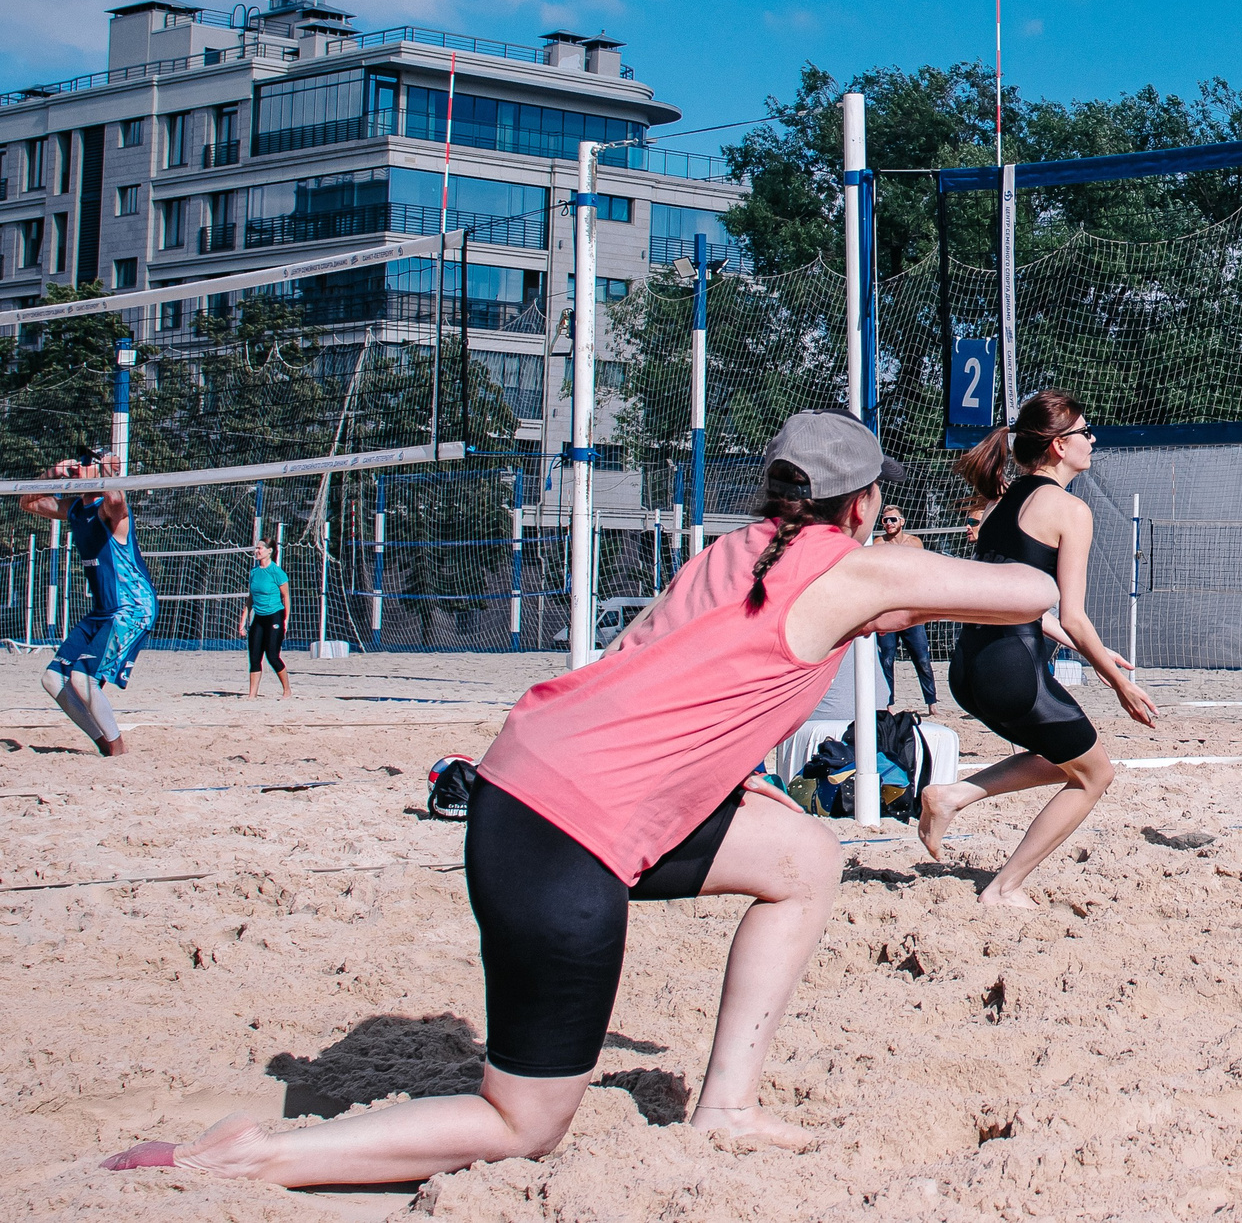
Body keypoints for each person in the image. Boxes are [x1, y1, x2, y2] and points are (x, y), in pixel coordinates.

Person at [103, 410, 1057, 1185]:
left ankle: (725, 1107)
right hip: (564, 837)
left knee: (803, 856)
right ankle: (251, 1155)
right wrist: (1031, 512)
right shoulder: (854, 567)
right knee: (523, 1125)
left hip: (522, 781)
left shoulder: (734, 552)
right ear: (861, 505)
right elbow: (1020, 591)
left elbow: (660, 666)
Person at [918, 391, 1157, 906]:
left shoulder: (1002, 501)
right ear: (1056, 446)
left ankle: (953, 795)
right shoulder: (1070, 510)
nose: (1092, 440)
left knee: (1065, 757)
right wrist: (1120, 685)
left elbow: (1015, 604)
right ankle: (1005, 887)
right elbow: (1072, 613)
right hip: (1013, 673)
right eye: (1084, 432)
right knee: (1096, 774)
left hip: (970, 667)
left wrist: (1095, 652)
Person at [18, 454, 157, 757]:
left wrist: (107, 471)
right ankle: (103, 743)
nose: (79, 466)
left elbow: (117, 499)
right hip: (102, 611)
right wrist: (53, 473)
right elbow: (27, 502)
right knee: (52, 678)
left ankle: (119, 750)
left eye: (86, 462)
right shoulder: (76, 510)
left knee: (82, 679)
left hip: (132, 608)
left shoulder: (109, 509)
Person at [872, 504, 938, 711]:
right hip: (888, 610)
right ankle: (888, 703)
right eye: (885, 520)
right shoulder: (878, 543)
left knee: (922, 658)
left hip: (910, 610)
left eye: (893, 519)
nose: (889, 523)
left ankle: (931, 702)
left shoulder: (914, 543)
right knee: (887, 659)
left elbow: (921, 573)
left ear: (902, 522)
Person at [237, 539, 292, 701]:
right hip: (259, 618)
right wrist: (242, 622)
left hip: (275, 615)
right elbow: (250, 599)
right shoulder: (254, 572)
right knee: (254, 656)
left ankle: (287, 690)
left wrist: (286, 620)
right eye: (256, 548)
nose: (257, 551)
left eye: (260, 548)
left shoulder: (277, 572)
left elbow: (286, 596)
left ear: (269, 551)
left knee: (272, 656)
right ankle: (252, 694)